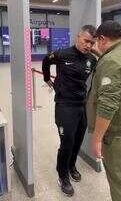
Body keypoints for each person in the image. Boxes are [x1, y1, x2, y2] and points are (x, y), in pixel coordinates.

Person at [42, 25, 97, 196]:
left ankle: (71, 165)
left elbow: (103, 66)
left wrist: (97, 52)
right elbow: (46, 60)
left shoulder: (91, 59)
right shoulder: (62, 54)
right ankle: (62, 175)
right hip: (65, 105)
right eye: (85, 40)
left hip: (81, 105)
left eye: (92, 42)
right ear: (78, 37)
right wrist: (47, 79)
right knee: (67, 142)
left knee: (78, 140)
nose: (88, 45)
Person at [86, 21, 121, 201]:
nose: (95, 45)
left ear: (102, 38)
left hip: (117, 136)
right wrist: (102, 57)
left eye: (96, 41)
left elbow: (108, 104)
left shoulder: (111, 61)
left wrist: (97, 139)